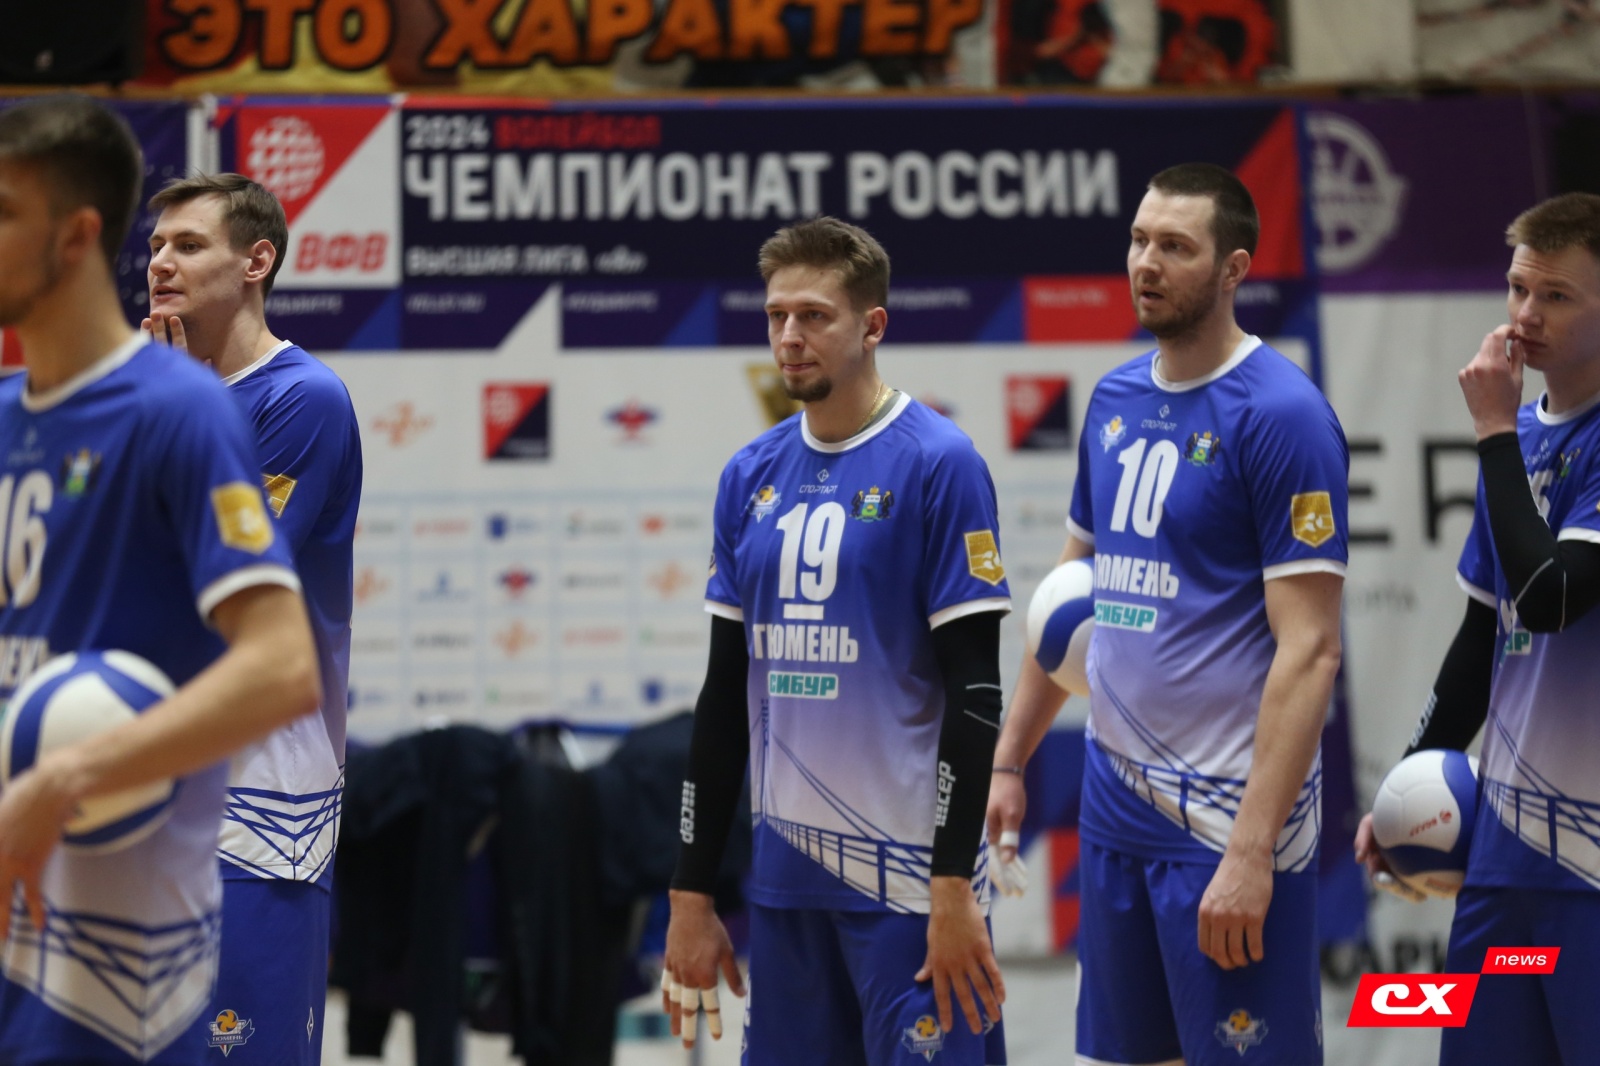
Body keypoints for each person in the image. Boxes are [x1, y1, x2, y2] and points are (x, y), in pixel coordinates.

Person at [988, 163, 1347, 1066]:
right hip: (1116, 809)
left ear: (1233, 269)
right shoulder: (1114, 398)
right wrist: (1008, 760)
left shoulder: (1283, 413)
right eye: (1139, 240)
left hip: (1224, 822)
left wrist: (1252, 852)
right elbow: (1068, 600)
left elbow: (1310, 651)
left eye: (1175, 247)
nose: (1146, 263)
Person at [0, 96, 320, 1065]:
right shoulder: (6, 414)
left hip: (117, 943)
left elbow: (282, 670)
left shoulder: (181, 410)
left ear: (74, 236)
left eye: (4, 212)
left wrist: (65, 777)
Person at [660, 216, 1012, 1064]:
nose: (790, 336)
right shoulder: (749, 475)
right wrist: (691, 893)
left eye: (814, 316)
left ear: (872, 325)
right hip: (786, 884)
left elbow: (975, 693)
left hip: (909, 889)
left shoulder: (939, 462)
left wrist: (952, 886)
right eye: (777, 315)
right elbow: (722, 697)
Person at [1355, 192, 1600, 1064]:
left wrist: (1493, 432)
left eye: (1557, 296)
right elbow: (1481, 637)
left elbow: (1551, 597)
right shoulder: (1522, 436)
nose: (1526, 315)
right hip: (1504, 862)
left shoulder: (1516, 437)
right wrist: (1407, 783)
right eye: (1518, 289)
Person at [142, 173, 362, 1064]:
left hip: (259, 809)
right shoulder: (147, 400)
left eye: (189, 245)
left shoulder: (301, 398)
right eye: (156, 246)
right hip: (143, 795)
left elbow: (211, 588)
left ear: (256, 261)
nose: (160, 262)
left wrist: (168, 415)